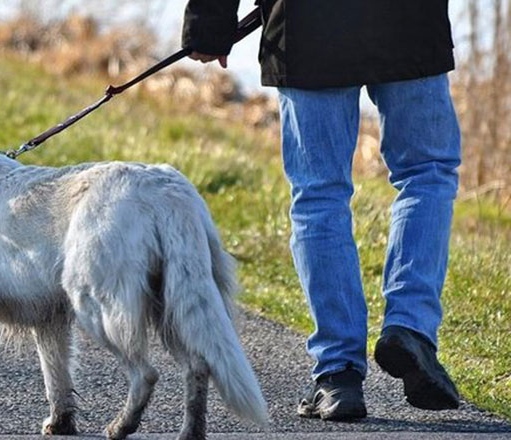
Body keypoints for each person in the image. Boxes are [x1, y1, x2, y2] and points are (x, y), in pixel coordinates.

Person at [182, 0, 462, 420]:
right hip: (408, 20)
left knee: (319, 195)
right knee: (427, 172)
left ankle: (337, 373)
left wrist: (209, 22)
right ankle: (411, 328)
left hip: (307, 27)